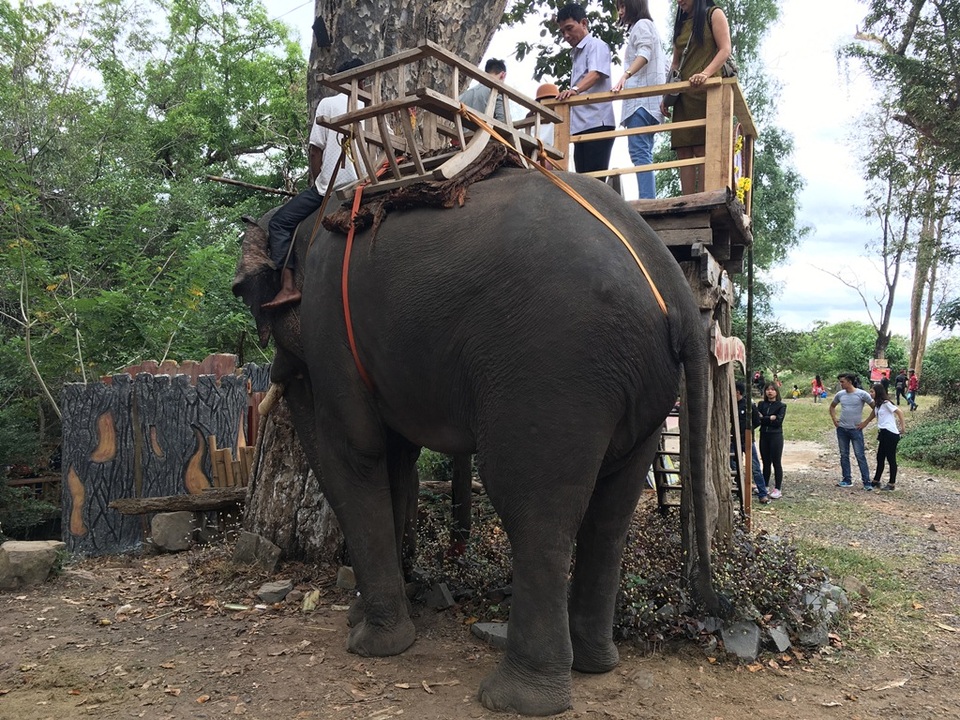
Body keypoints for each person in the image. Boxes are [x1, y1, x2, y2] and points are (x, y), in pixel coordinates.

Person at [263, 58, 363, 309]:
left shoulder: (328, 103)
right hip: (368, 180)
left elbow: (315, 149)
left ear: (339, 82)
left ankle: (288, 287)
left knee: (280, 222)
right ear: (363, 81)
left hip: (333, 185)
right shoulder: (375, 107)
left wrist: (318, 180)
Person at [662, 0, 732, 195]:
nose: (679, 1)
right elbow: (675, 63)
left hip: (706, 94)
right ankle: (687, 200)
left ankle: (701, 200)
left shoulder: (714, 14)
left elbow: (725, 49)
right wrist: (666, 94)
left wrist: (705, 74)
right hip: (683, 94)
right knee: (683, 150)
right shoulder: (682, 22)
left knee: (702, 148)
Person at [610, 0, 666, 198]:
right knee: (643, 151)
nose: (621, 12)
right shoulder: (650, 28)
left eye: (624, 7)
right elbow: (665, 66)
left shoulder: (641, 25)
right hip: (652, 102)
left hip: (641, 102)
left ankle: (647, 199)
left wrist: (625, 75)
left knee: (639, 151)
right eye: (619, 8)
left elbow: (644, 53)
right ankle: (647, 196)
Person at [556, 3, 616, 175]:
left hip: (597, 122)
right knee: (583, 180)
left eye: (569, 28)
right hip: (580, 126)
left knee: (594, 181)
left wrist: (575, 89)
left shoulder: (595, 45)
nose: (566, 35)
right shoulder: (576, 53)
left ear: (584, 23)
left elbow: (596, 73)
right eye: (562, 32)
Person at [829, 372, 876, 490]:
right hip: (842, 429)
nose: (841, 384)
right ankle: (846, 479)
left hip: (855, 429)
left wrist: (866, 422)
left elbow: (875, 408)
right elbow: (832, 406)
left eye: (842, 382)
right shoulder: (840, 395)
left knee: (860, 455)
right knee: (844, 455)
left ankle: (866, 482)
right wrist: (835, 419)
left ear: (849, 381)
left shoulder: (862, 394)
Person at [863, 383, 905, 491]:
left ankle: (891, 483)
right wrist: (864, 423)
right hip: (883, 432)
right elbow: (872, 415)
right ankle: (876, 480)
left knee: (891, 458)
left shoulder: (886, 403)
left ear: (878, 392)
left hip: (890, 433)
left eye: (872, 391)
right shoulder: (878, 405)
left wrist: (902, 427)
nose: (870, 394)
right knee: (880, 457)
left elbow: (899, 412)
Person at [734, 382, 769, 504]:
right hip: (733, 440)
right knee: (733, 466)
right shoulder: (729, 404)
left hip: (747, 440)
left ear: (738, 392)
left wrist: (747, 430)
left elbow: (757, 421)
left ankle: (762, 493)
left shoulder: (748, 405)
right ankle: (741, 489)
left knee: (755, 467)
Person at [756, 382, 786, 499]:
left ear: (776, 392)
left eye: (772, 390)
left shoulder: (781, 405)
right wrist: (770, 418)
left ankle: (778, 488)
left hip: (776, 436)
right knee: (765, 462)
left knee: (776, 462)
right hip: (764, 435)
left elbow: (778, 422)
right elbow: (758, 420)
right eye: (768, 389)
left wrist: (765, 418)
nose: (770, 392)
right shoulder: (761, 404)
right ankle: (765, 485)